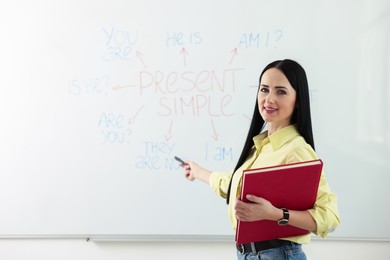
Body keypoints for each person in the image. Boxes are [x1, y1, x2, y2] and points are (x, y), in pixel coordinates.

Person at [180, 59, 340, 259]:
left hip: (277, 254)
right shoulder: (260, 146)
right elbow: (234, 186)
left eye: (280, 91)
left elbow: (329, 217)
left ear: (298, 100)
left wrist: (276, 214)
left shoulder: (296, 150)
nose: (269, 99)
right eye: (264, 90)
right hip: (248, 254)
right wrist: (198, 172)